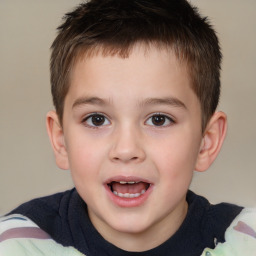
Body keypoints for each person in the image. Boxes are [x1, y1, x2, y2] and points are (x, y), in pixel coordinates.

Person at [0, 0, 246, 255]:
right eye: (97, 119)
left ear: (207, 141)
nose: (126, 149)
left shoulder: (244, 242)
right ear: (61, 140)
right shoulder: (17, 245)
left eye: (158, 119)